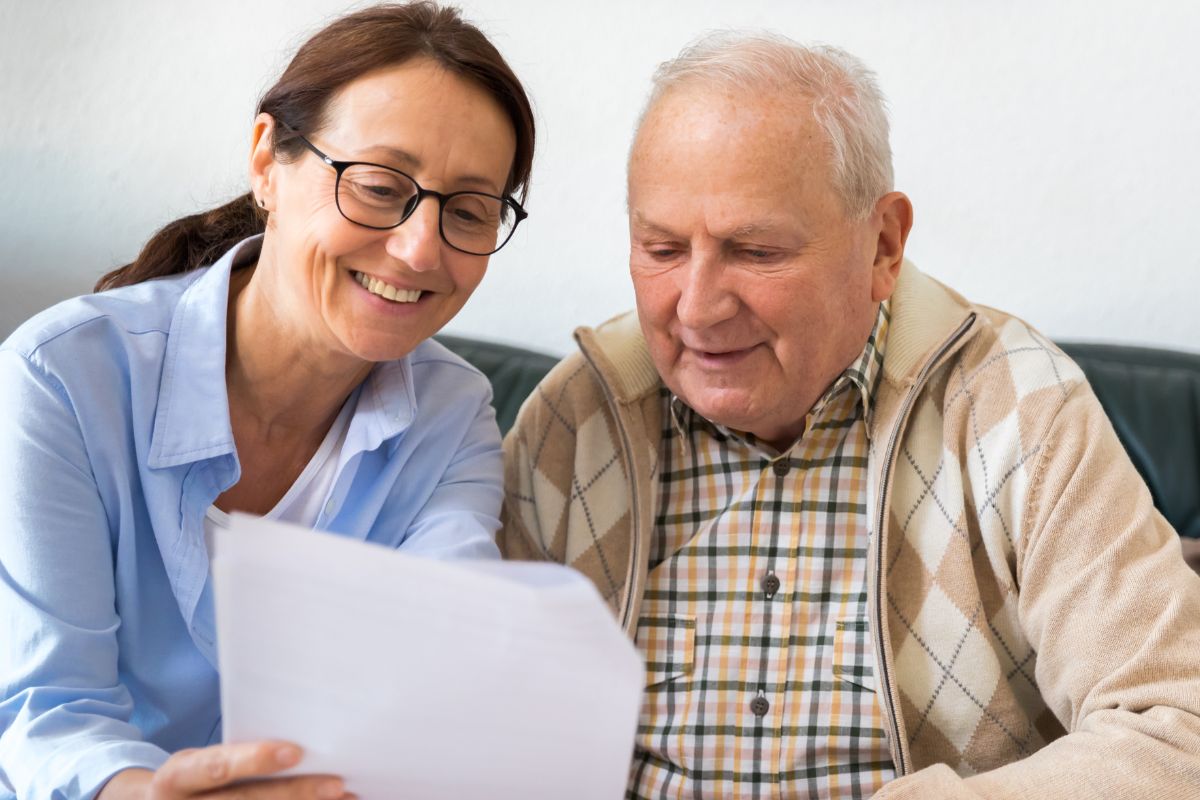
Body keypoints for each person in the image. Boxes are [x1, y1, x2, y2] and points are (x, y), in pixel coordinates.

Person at [500, 31, 1200, 799]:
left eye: (756, 251)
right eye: (661, 248)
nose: (696, 308)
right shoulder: (577, 421)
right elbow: (470, 714)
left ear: (883, 247)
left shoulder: (1018, 411)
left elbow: (1171, 727)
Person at [0, 3, 534, 798]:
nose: (420, 249)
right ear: (266, 162)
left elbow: (431, 668)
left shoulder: (453, 418)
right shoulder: (62, 378)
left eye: (467, 211)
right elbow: (47, 706)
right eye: (380, 186)